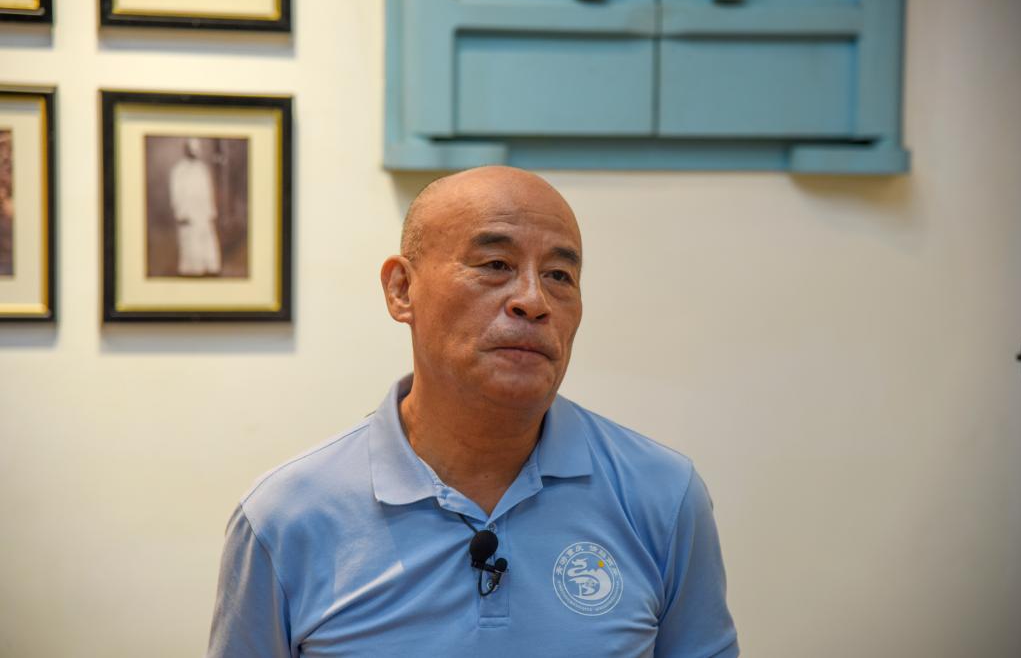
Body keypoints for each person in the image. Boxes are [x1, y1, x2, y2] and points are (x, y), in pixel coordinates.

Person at [207, 166, 739, 657]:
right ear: (402, 289)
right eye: (495, 265)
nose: (533, 300)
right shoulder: (286, 517)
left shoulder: (663, 496)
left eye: (559, 275)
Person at [169, 137, 221, 276]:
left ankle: (209, 268)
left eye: (196, 150)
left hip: (202, 211)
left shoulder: (202, 169)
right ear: (186, 150)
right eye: (191, 150)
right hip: (188, 211)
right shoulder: (179, 170)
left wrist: (211, 211)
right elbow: (175, 193)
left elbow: (208, 191)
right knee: (189, 240)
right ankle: (191, 270)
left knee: (206, 238)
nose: (194, 153)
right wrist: (180, 213)